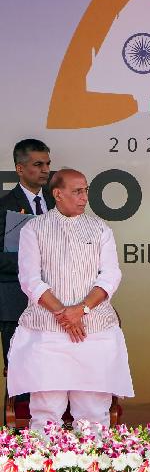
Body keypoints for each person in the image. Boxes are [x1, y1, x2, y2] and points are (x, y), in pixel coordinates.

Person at [7, 168, 133, 430]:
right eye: (77, 191)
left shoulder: (99, 228)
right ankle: (46, 469)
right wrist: (65, 314)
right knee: (46, 413)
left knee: (93, 416)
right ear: (58, 194)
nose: (84, 197)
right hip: (46, 332)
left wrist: (81, 310)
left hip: (94, 331)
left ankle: (93, 468)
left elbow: (110, 276)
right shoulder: (35, 228)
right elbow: (30, 280)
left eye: (86, 190)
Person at [0, 139, 54, 367]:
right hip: (16, 299)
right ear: (20, 169)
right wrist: (33, 263)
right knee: (22, 370)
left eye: (48, 164)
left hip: (58, 300)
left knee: (56, 370)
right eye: (38, 164)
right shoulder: (3, 206)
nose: (45, 170)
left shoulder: (59, 201)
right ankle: (19, 405)